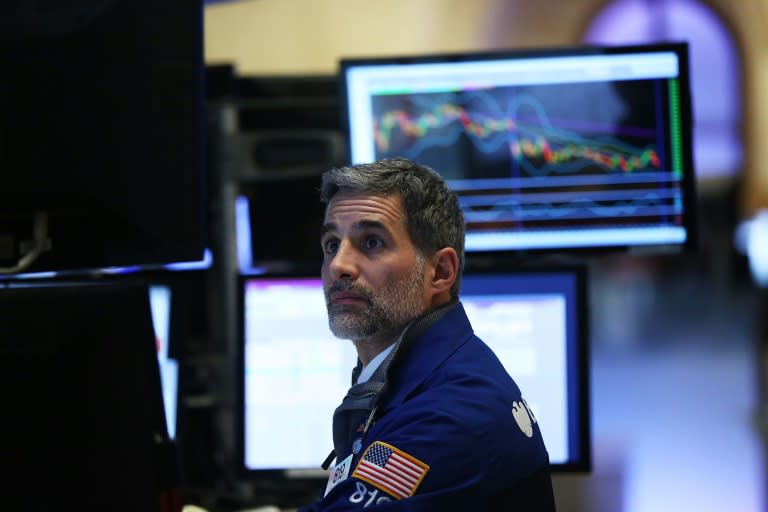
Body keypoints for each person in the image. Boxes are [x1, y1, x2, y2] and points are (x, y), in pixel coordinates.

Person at [299, 157, 556, 511]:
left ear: (440, 272)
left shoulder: (449, 416)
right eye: (332, 244)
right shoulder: (424, 375)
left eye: (371, 242)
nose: (339, 265)